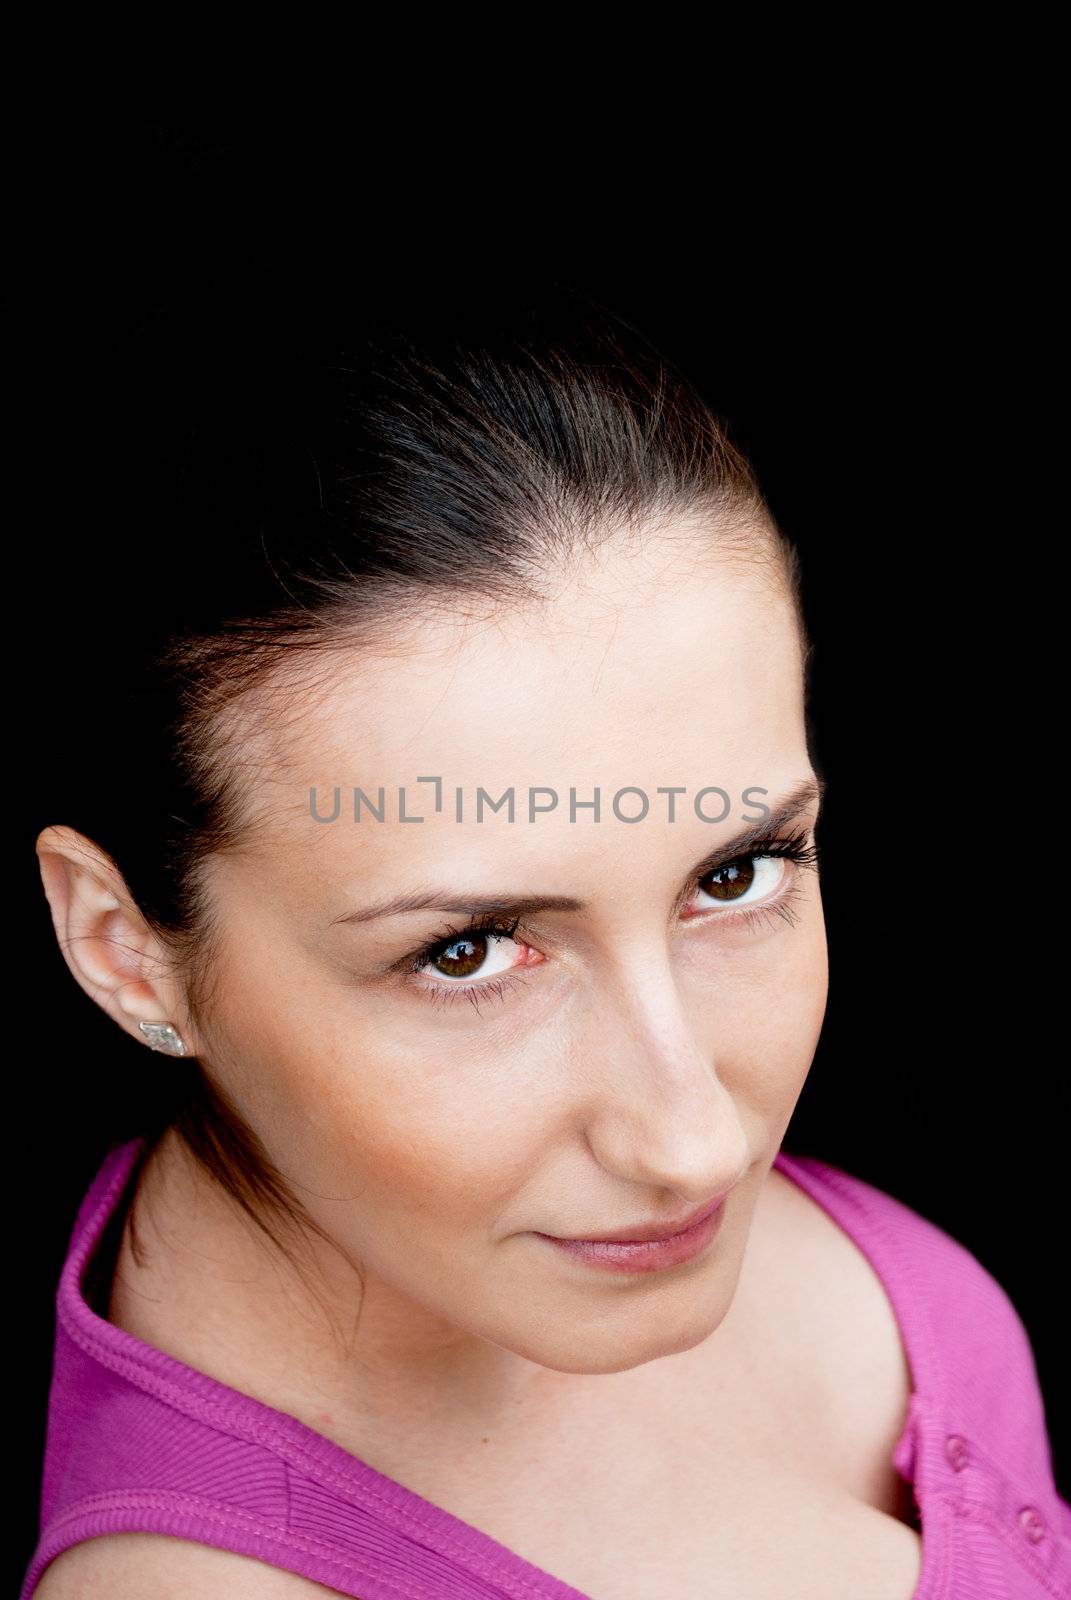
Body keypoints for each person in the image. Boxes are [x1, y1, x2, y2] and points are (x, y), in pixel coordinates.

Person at [23, 283, 1068, 1598]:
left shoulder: (829, 1278)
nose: (696, 1143)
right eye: (470, 953)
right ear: (124, 949)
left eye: (735, 874)